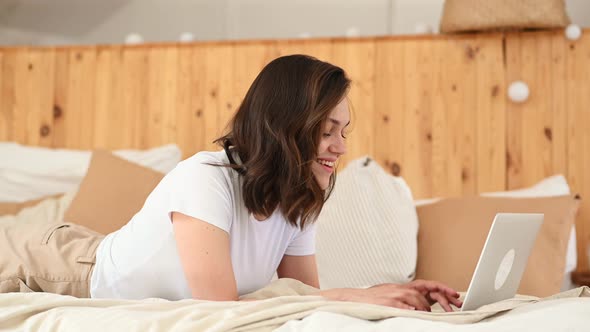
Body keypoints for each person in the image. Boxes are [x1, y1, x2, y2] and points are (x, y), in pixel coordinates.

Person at [0, 54, 461, 312]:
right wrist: (358, 294)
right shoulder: (205, 178)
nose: (340, 146)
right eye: (326, 130)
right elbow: (220, 306)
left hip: (88, 250)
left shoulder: (299, 197)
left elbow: (305, 297)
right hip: (60, 265)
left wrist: (382, 294)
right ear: (287, 124)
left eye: (344, 130)